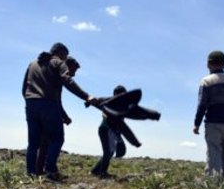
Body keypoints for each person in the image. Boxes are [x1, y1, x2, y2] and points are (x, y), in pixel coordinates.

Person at [22, 42, 97, 181]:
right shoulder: (59, 63)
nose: (65, 59)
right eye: (65, 55)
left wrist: (31, 101)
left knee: (33, 143)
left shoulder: (32, 64)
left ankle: (31, 174)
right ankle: (50, 171)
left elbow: (23, 89)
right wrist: (86, 96)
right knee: (57, 138)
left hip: (30, 104)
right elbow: (67, 80)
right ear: (61, 53)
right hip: (48, 105)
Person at [35, 56, 80, 176]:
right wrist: (64, 116)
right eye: (73, 71)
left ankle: (40, 170)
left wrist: (64, 115)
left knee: (45, 142)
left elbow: (57, 100)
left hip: (40, 109)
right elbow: (56, 101)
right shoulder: (58, 78)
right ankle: (50, 170)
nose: (73, 75)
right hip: (49, 111)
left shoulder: (49, 75)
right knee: (57, 139)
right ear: (67, 66)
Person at [91, 85, 142, 178]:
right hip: (105, 129)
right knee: (107, 152)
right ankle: (102, 173)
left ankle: (95, 171)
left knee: (110, 152)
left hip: (113, 131)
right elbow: (104, 112)